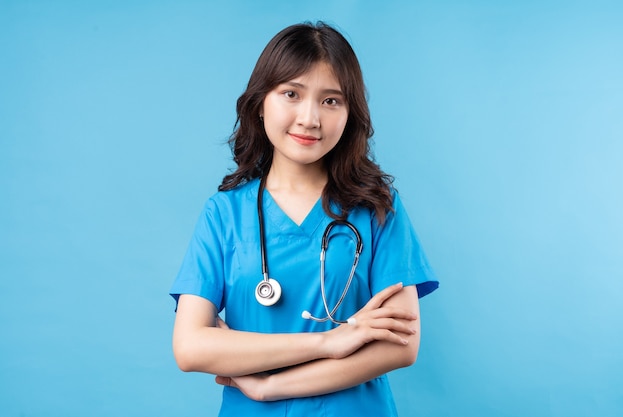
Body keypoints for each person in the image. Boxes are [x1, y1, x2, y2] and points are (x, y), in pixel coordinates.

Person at [170, 21, 439, 416]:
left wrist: (270, 387)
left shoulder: (378, 208)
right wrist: (329, 342)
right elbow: (191, 348)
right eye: (291, 94)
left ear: (350, 114)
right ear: (261, 102)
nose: (310, 118)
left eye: (331, 101)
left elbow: (400, 344)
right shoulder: (224, 213)